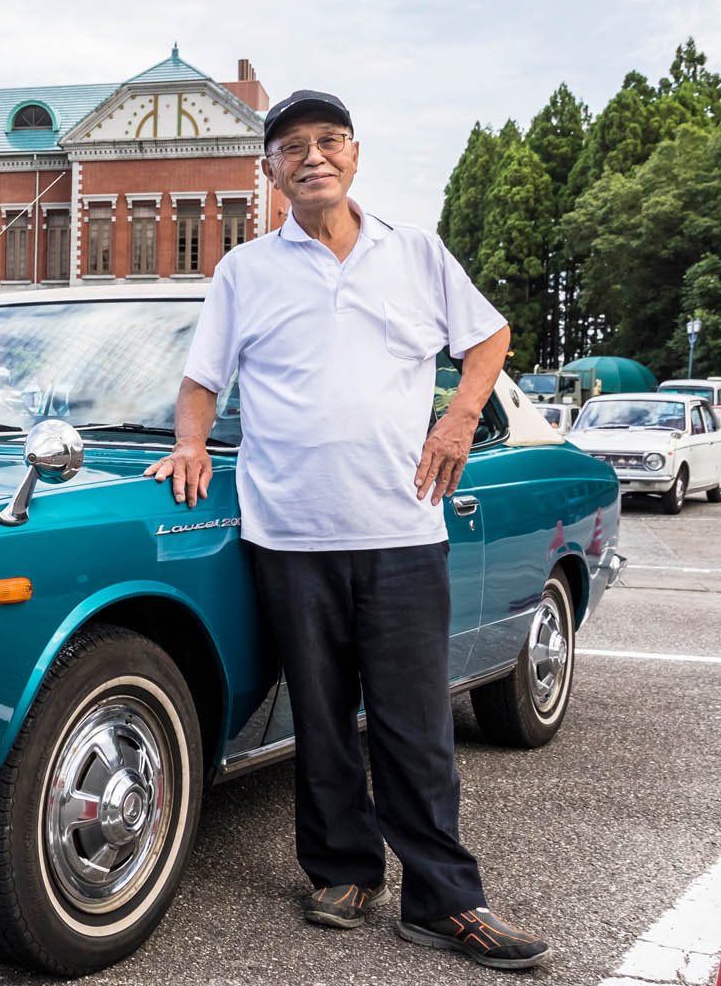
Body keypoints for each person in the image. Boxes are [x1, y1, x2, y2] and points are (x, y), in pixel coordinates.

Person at [145, 90, 549, 972]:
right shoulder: (246, 271)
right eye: (292, 147)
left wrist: (457, 419)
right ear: (271, 170)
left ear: (355, 155)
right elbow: (202, 381)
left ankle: (445, 901)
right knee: (322, 719)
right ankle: (341, 871)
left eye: (328, 141)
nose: (312, 157)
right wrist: (186, 446)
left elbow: (488, 338)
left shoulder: (416, 253)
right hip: (287, 534)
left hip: (401, 529)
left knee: (413, 724)